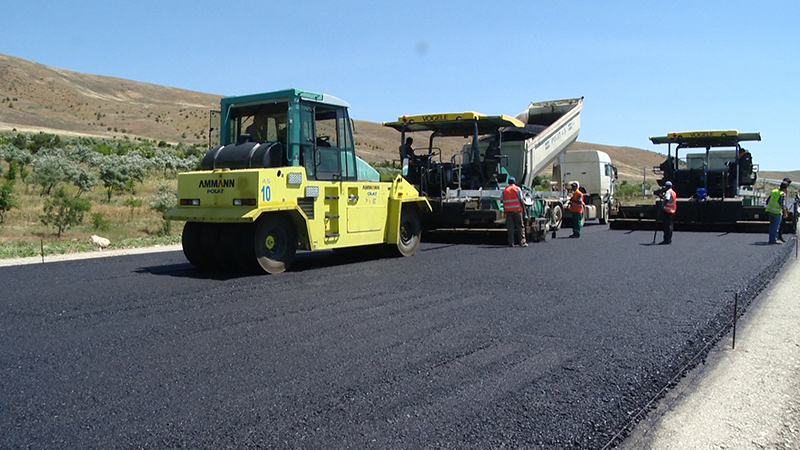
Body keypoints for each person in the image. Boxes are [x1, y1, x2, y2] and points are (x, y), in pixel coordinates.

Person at [502, 177, 527, 247]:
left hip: (508, 211)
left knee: (510, 228)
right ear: (514, 182)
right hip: (517, 211)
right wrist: (524, 209)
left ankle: (511, 243)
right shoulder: (517, 189)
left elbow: (501, 199)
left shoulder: (505, 190)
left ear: (508, 182)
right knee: (520, 226)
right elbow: (521, 199)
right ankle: (522, 242)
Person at [659, 180, 677, 245]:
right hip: (672, 211)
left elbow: (667, 199)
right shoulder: (673, 192)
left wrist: (663, 205)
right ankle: (669, 239)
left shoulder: (668, 192)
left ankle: (666, 239)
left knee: (666, 226)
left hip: (667, 211)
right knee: (670, 225)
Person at [778, 178, 792, 242]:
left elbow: (785, 201)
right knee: (779, 224)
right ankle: (778, 236)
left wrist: (786, 208)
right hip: (779, 209)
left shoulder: (785, 191)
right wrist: (785, 210)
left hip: (782, 208)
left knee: (782, 223)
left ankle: (780, 236)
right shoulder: (781, 191)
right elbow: (782, 202)